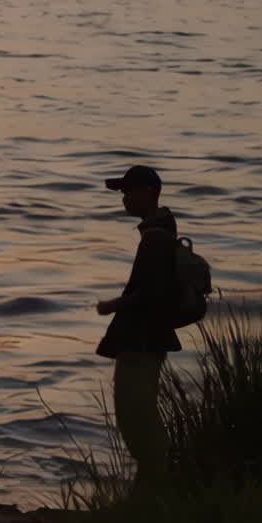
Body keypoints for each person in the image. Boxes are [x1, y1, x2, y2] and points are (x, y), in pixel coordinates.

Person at [95, 165, 181, 490]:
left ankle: (155, 492)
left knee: (136, 419)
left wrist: (112, 305)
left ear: (150, 192)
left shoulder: (155, 238)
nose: (124, 199)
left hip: (142, 344)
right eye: (123, 192)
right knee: (139, 418)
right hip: (146, 342)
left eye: (129, 191)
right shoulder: (159, 231)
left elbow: (152, 293)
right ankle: (153, 489)